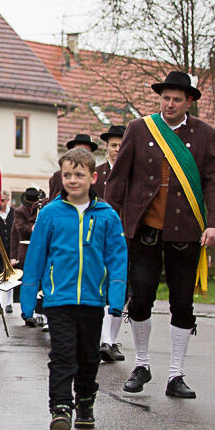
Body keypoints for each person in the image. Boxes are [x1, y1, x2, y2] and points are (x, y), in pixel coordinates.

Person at [105, 71, 215, 399]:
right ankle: (141, 364)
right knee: (140, 297)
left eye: (176, 99)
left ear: (189, 102)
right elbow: (118, 180)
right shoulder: (139, 129)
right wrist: (106, 221)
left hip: (186, 230)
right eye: (165, 98)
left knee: (182, 303)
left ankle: (176, 374)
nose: (169, 104)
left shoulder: (205, 135)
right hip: (143, 228)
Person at [20, 148, 128, 430]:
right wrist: (27, 299)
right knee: (62, 355)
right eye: (67, 174)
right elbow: (36, 256)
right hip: (58, 299)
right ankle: (60, 407)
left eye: (79, 174)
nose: (72, 180)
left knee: (89, 357)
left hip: (92, 300)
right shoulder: (50, 213)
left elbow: (117, 259)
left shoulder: (107, 216)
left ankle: (85, 402)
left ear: (93, 177)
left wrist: (116, 299)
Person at [96, 125, 126, 362]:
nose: (117, 149)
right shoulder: (97, 174)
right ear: (106, 147)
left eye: (121, 145)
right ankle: (104, 339)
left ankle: (111, 340)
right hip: (98, 237)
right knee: (100, 287)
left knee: (121, 289)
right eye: (113, 145)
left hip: (125, 237)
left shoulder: (134, 173)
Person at [11, 187, 41, 326]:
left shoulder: (42, 210)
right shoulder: (19, 212)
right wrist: (32, 228)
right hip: (26, 250)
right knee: (27, 282)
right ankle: (27, 313)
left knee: (40, 284)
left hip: (40, 249)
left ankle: (39, 313)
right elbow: (19, 230)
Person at [48, 134, 98, 201]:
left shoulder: (98, 173)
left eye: (85, 151)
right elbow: (52, 199)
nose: (81, 154)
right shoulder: (58, 176)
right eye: (77, 151)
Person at [0, 189, 15, 315]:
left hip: (10, 250)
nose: (0, 203)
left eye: (3, 200)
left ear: (8, 200)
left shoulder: (13, 213)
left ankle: (8, 303)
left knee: (11, 277)